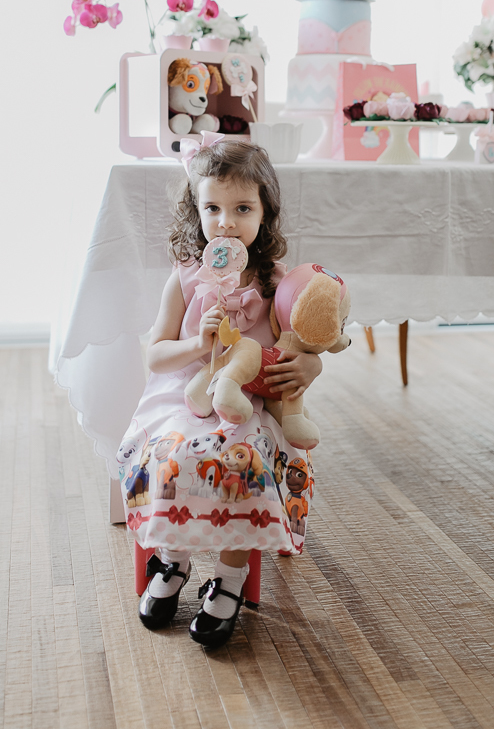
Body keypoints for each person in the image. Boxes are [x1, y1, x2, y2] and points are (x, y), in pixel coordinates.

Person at [116, 135, 322, 648]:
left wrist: (308, 366)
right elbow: (155, 354)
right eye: (213, 208)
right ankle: (173, 560)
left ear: (265, 213)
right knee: (175, 457)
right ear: (197, 210)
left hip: (250, 400)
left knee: (243, 464)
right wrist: (196, 343)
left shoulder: (279, 284)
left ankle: (229, 578)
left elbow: (306, 344)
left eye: (242, 208)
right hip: (184, 393)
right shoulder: (186, 277)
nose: (226, 222)